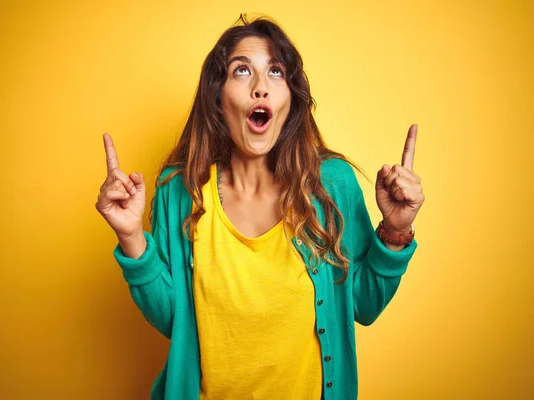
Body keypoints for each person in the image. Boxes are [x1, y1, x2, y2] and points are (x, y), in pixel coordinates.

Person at [95, 15, 424, 400]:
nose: (260, 88)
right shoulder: (180, 191)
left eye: (275, 71)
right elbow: (175, 321)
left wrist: (396, 232)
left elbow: (363, 306)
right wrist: (132, 236)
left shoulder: (331, 186)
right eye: (241, 71)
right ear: (217, 99)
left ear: (290, 98)